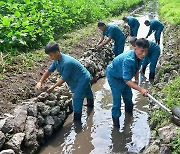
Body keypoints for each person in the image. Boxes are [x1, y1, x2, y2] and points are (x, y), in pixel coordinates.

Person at [35, 42, 94, 121]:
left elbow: (63, 79)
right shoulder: (56, 60)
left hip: (82, 78)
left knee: (77, 99)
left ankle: (77, 122)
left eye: (51, 55)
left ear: (57, 52)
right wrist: (40, 81)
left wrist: (53, 87)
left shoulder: (67, 62)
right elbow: (49, 71)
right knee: (87, 92)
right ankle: (91, 107)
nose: (50, 57)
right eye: (49, 55)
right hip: (79, 76)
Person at [106, 38, 149, 127]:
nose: (144, 54)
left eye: (146, 51)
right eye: (142, 51)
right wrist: (141, 89)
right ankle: (116, 127)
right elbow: (127, 80)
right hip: (114, 76)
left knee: (128, 97)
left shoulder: (139, 56)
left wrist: (137, 80)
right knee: (117, 101)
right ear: (135, 48)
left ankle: (129, 119)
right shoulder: (128, 60)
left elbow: (137, 68)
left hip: (124, 76)